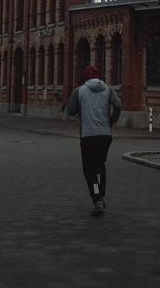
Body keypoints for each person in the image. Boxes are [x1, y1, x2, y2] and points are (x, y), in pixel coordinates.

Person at [66, 65, 121, 216]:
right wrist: (112, 120)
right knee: (99, 165)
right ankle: (101, 195)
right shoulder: (108, 89)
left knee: (89, 170)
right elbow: (118, 105)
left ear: (85, 77)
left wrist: (79, 109)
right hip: (105, 135)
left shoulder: (79, 91)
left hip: (88, 136)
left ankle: (97, 198)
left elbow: (70, 111)